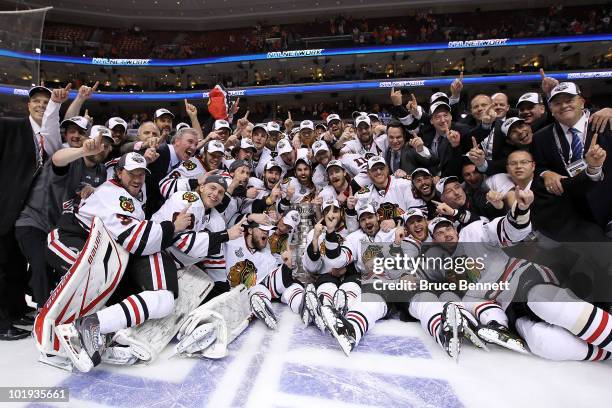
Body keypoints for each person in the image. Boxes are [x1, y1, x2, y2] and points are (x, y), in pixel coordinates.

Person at [44, 152, 193, 372]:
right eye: (132, 173)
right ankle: (60, 331)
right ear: (120, 172)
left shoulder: (127, 194)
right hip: (70, 238)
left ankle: (98, 329)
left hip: (102, 250)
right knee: (85, 280)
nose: (137, 178)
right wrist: (173, 227)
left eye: (141, 173)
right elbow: (135, 240)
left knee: (110, 288)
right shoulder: (115, 194)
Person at [0, 84, 67, 340]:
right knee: (1, 266)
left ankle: (17, 309)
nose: (40, 105)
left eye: (45, 102)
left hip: (28, 214)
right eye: (36, 101)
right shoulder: (9, 126)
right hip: (5, 208)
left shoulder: (50, 138)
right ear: (28, 105)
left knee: (17, 266)